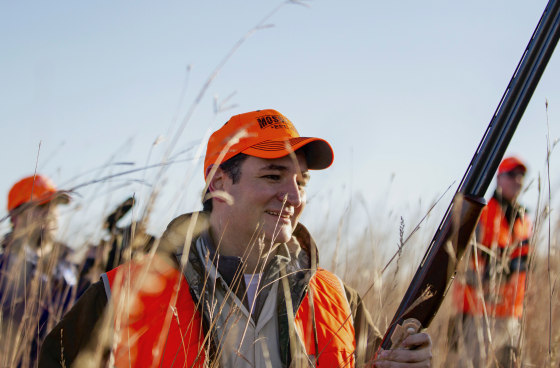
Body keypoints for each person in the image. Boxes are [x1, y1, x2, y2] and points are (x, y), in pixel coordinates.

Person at [39, 109, 432, 367]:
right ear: (217, 182)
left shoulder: (336, 298)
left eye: (301, 181)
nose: (293, 197)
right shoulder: (123, 293)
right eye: (273, 176)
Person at [451, 156, 532, 367]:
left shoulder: (525, 219)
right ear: (498, 179)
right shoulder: (481, 214)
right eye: (512, 175)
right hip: (480, 315)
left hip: (512, 315)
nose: (518, 181)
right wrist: (492, 273)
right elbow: (458, 261)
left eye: (521, 176)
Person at [0, 174, 78, 367]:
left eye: (55, 206)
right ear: (15, 217)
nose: (51, 213)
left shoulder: (70, 271)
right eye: (42, 206)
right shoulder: (3, 271)